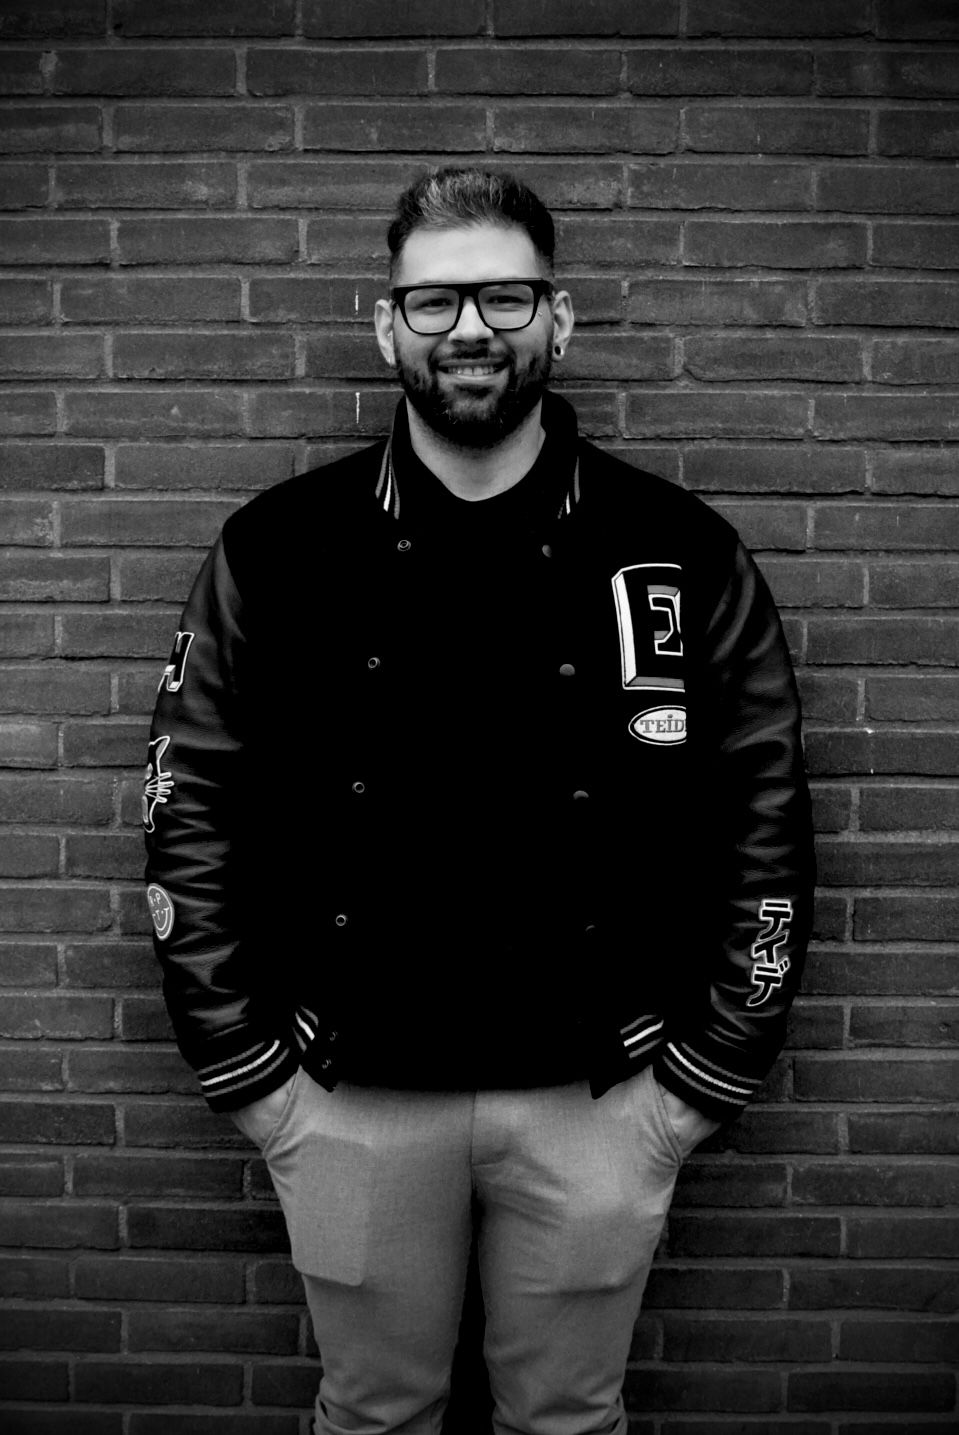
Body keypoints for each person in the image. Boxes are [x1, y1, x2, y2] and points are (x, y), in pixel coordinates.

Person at [144, 167, 816, 1435]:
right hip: (345, 1094)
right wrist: (248, 1070)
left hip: (600, 1099)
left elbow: (763, 811)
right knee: (373, 1419)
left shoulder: (673, 549)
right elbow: (189, 797)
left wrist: (706, 1073)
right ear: (383, 325)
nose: (469, 329)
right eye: (434, 301)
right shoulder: (277, 549)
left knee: (566, 1421)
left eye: (504, 297)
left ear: (557, 318)